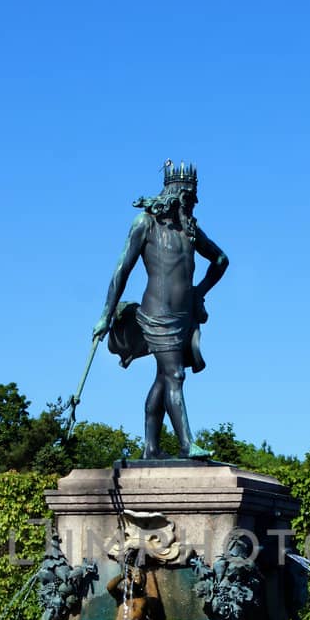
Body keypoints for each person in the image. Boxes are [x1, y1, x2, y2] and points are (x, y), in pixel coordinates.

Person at [92, 160, 228, 458]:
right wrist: (106, 313)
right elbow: (122, 269)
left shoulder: (190, 229)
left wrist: (199, 293)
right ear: (176, 193)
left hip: (184, 317)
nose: (194, 202)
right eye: (190, 195)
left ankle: (151, 448)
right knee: (175, 376)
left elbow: (221, 260)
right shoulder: (146, 223)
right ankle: (186, 444)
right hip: (157, 315)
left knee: (163, 378)